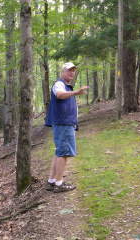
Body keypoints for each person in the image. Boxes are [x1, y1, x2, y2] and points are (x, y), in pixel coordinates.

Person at [45, 62, 89, 193]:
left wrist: (75, 126)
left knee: (59, 151)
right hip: (62, 123)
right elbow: (59, 94)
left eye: (73, 70)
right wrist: (76, 92)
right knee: (63, 152)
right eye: (69, 70)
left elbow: (71, 108)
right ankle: (59, 184)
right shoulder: (60, 84)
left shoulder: (68, 87)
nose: (72, 72)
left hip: (67, 123)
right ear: (63, 72)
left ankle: (51, 181)